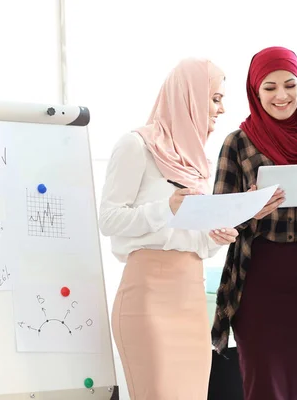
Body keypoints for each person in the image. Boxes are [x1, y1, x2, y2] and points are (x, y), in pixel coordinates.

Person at [211, 46, 297, 400]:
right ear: (255, 92)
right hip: (256, 280)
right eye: (270, 88)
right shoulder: (238, 143)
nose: (282, 96)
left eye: (290, 85)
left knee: (296, 387)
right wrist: (249, 211)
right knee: (262, 386)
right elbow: (218, 219)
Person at [99, 58, 238, 400]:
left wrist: (217, 238)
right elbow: (108, 219)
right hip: (148, 299)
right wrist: (167, 207)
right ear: (189, 95)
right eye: (215, 98)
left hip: (192, 298)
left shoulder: (200, 163)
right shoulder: (136, 146)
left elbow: (198, 245)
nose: (221, 109)